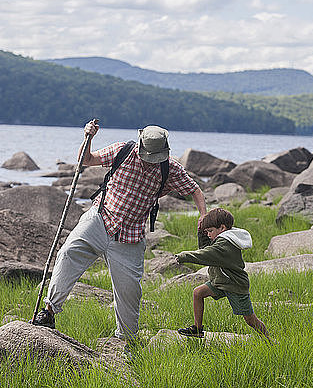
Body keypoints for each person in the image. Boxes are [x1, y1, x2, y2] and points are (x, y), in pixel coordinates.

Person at [32, 119, 207, 342]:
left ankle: (126, 340)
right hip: (99, 219)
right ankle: (49, 311)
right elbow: (85, 159)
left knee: (129, 291)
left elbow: (195, 190)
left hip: (131, 236)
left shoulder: (170, 167)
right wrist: (89, 137)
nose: (150, 162)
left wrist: (202, 214)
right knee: (68, 253)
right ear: (141, 144)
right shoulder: (123, 150)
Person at [175, 207, 270, 340]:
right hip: (220, 282)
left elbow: (206, 254)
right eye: (206, 232)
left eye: (210, 231)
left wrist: (184, 256)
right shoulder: (221, 238)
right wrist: (201, 232)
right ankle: (197, 329)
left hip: (235, 285)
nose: (208, 234)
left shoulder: (225, 244)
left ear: (222, 228)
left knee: (250, 320)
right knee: (198, 292)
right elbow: (206, 248)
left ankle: (269, 341)